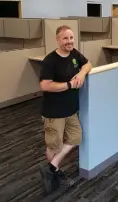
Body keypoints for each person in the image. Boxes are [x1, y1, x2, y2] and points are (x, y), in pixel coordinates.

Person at [38, 25, 92, 194]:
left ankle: (52, 168)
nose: (69, 41)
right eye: (65, 38)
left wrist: (82, 73)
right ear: (57, 40)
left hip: (71, 110)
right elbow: (45, 85)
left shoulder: (75, 54)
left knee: (76, 138)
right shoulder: (50, 60)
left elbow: (88, 64)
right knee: (54, 145)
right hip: (54, 112)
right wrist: (68, 84)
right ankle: (54, 172)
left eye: (71, 38)